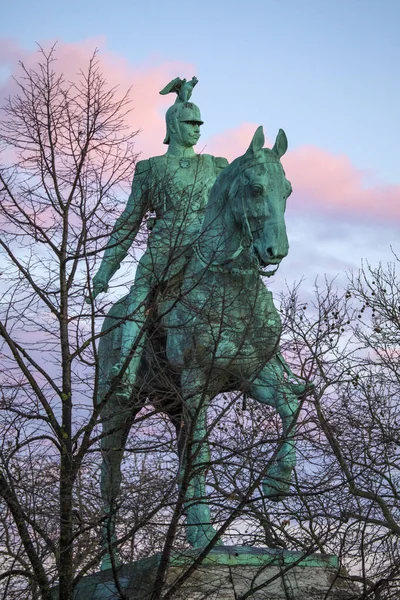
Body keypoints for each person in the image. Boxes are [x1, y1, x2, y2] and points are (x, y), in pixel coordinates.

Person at [91, 79, 228, 395]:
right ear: (174, 126)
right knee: (139, 294)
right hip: (164, 248)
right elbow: (127, 223)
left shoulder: (216, 166)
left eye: (198, 124)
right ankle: (125, 370)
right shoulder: (150, 169)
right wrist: (104, 273)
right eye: (189, 123)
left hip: (206, 249)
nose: (196, 129)